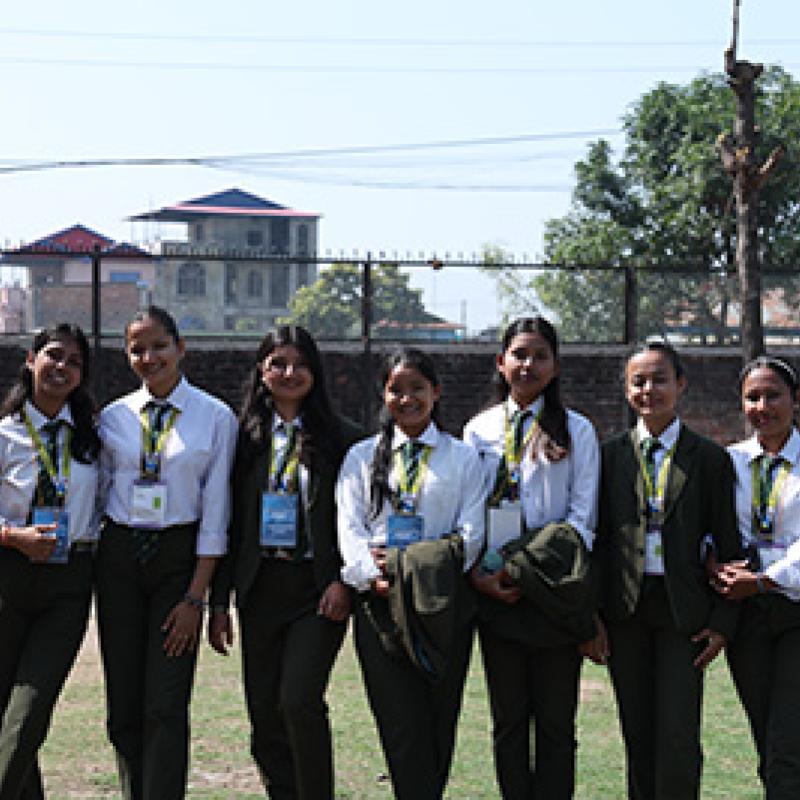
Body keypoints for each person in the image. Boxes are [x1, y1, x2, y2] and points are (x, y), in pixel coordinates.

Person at [208, 325, 361, 800]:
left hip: (317, 590)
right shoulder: (241, 440)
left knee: (298, 700)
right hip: (260, 589)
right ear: (261, 370)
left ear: (315, 372)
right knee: (264, 713)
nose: (289, 373)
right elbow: (228, 524)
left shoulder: (343, 439)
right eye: (278, 364)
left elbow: (355, 519)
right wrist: (218, 602)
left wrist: (343, 580)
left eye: (300, 365)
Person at [96, 306, 237, 800]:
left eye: (159, 346)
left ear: (181, 347)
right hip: (119, 558)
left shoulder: (215, 417)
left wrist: (196, 596)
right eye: (137, 349)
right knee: (123, 707)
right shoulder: (112, 416)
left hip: (178, 562)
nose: (149, 357)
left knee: (165, 704)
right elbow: (99, 494)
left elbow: (217, 511)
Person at [593, 340, 741, 800]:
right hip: (626, 611)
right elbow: (598, 541)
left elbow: (729, 542)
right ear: (626, 390)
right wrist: (592, 615)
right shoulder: (608, 456)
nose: (649, 390)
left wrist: (723, 622)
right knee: (637, 731)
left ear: (681, 384)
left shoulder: (710, 458)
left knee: (678, 733)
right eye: (638, 381)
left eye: (660, 379)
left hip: (684, 614)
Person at [336, 348, 485, 800]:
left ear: (436, 392)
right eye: (396, 390)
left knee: (440, 720)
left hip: (442, 604)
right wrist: (373, 577)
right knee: (399, 726)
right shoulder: (362, 457)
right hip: (380, 606)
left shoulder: (462, 458)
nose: (407, 399)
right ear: (383, 395)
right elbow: (349, 529)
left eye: (417, 388)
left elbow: (471, 535)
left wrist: (414, 568)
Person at [463, 316, 600, 799]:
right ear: (501, 362)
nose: (529, 365)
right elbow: (470, 513)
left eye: (540, 356)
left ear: (556, 367)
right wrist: (481, 575)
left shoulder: (577, 431)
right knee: (509, 722)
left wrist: (531, 568)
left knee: (556, 725)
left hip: (553, 594)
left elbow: (582, 519)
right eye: (519, 354)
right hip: (496, 593)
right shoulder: (478, 430)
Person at [0, 323, 100, 800]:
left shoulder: (96, 439)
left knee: (29, 712)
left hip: (68, 583)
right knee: (5, 713)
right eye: (54, 356)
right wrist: (12, 535)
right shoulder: (4, 435)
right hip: (8, 578)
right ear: (30, 360)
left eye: (74, 362)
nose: (62, 368)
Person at [712, 356, 800, 798]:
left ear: (796, 400)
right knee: (766, 741)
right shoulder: (729, 462)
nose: (762, 407)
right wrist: (711, 561)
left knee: (787, 743)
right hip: (747, 616)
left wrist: (765, 579)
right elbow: (711, 527)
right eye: (752, 397)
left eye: (773, 395)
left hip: (795, 610)